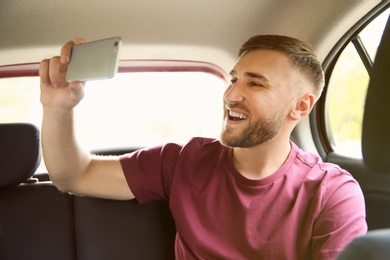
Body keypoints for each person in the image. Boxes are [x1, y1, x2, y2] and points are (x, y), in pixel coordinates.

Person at [39, 35, 367, 259]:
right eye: (233, 78)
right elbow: (74, 175)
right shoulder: (183, 161)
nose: (231, 94)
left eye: (254, 82)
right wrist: (57, 108)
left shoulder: (332, 192)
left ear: (301, 106)